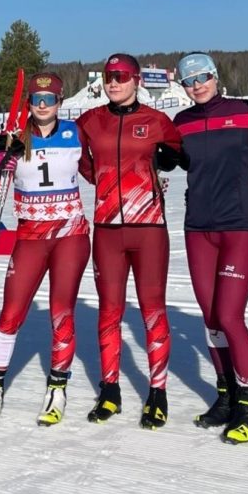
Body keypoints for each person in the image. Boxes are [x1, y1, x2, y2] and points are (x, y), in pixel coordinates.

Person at [0, 73, 91, 427]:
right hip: (30, 237)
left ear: (60, 101)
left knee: (61, 312)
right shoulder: (16, 138)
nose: (43, 105)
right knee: (11, 313)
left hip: (70, 235)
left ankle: (57, 387)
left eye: (49, 98)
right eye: (36, 99)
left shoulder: (75, 132)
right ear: (29, 103)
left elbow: (100, 168)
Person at [76, 53, 182, 428]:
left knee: (153, 310)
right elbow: (80, 160)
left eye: (121, 76)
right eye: (109, 76)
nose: (113, 82)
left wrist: (165, 163)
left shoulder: (157, 120)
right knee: (109, 310)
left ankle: (157, 393)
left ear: (137, 80)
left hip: (149, 228)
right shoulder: (90, 121)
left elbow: (180, 154)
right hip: (107, 229)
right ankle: (110, 390)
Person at [172, 53, 248, 444]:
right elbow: (173, 158)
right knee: (211, 318)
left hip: (238, 226)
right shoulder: (181, 122)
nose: (197, 85)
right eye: (189, 80)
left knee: (229, 315)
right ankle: (226, 396)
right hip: (198, 228)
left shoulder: (247, 112)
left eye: (203, 77)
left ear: (215, 76)